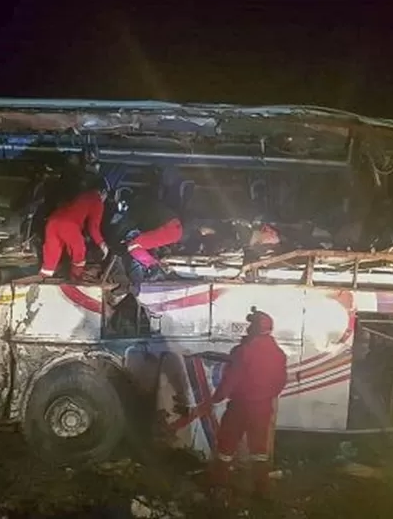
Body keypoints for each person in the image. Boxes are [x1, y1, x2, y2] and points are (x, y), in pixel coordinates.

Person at [191, 308, 287, 496]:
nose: (247, 329)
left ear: (256, 328)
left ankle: (218, 485)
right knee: (259, 449)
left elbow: (229, 382)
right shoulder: (278, 353)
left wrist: (211, 402)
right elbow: (281, 382)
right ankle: (262, 489)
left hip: (240, 407)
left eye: (251, 325)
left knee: (226, 445)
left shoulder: (243, 351)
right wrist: (265, 397)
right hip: (263, 408)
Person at [37, 179, 109, 280]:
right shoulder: (97, 200)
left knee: (51, 256)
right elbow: (93, 227)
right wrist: (101, 243)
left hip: (52, 222)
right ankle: (75, 280)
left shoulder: (81, 195)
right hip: (69, 225)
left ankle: (41, 279)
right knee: (79, 252)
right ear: (103, 192)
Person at [121, 196, 183, 275]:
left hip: (169, 229)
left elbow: (132, 225)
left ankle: (154, 266)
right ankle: (155, 264)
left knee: (133, 246)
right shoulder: (147, 204)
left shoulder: (136, 209)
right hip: (173, 226)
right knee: (141, 241)